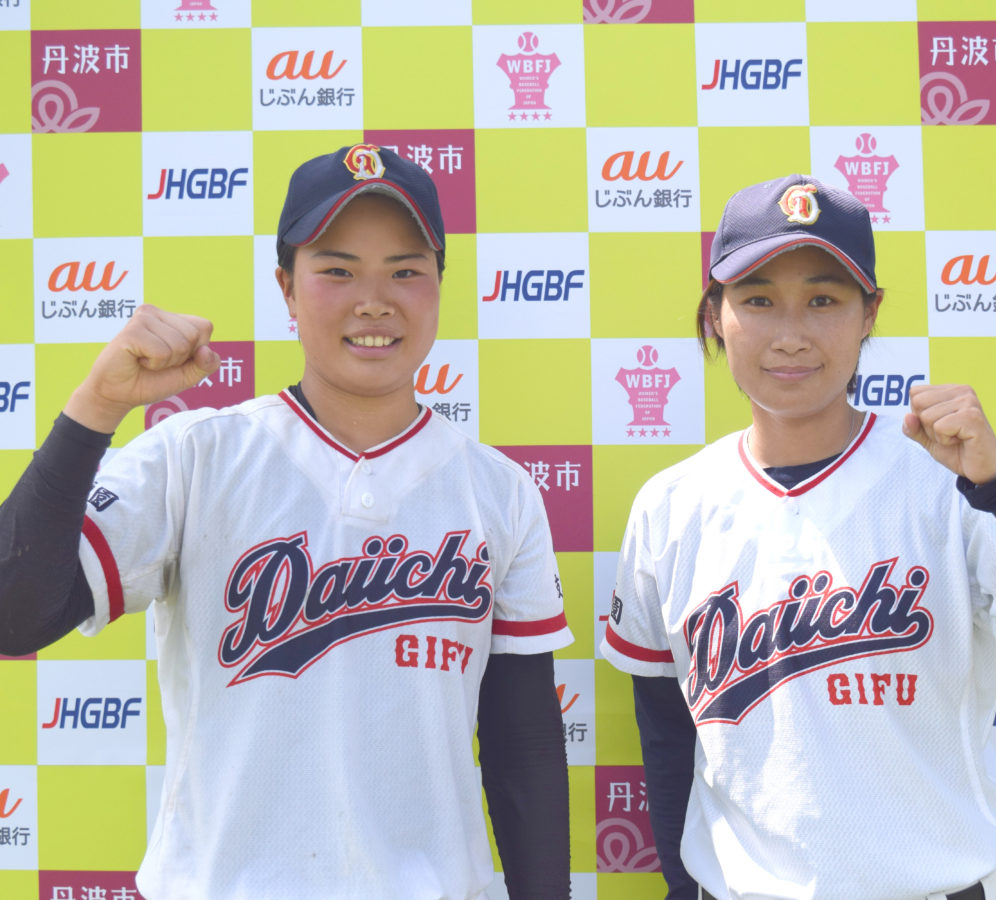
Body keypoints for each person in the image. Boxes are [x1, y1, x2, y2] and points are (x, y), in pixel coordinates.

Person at [0, 144, 573, 900]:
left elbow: (521, 742)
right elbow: (14, 615)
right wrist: (95, 408)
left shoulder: (497, 490)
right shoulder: (194, 456)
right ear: (287, 289)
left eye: (405, 271)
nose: (375, 301)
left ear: (439, 286)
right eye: (338, 270)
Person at [599, 174, 996, 900]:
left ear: (870, 313)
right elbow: (668, 733)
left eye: (823, 300)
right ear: (715, 316)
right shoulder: (671, 506)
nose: (791, 335)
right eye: (758, 300)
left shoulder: (953, 481)